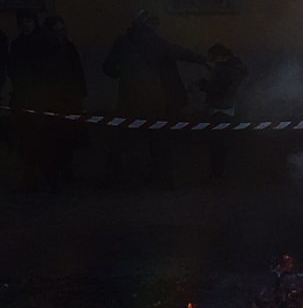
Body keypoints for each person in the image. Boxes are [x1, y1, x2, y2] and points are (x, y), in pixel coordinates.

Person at [102, 11, 208, 185]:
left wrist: (122, 75)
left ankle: (115, 177)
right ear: (144, 25)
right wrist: (203, 60)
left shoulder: (124, 41)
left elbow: (108, 68)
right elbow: (179, 52)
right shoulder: (154, 43)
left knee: (126, 139)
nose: (154, 27)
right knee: (156, 140)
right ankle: (159, 178)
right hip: (152, 101)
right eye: (151, 24)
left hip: (134, 100)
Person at [36, 16, 86, 186]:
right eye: (55, 30)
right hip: (49, 100)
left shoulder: (69, 48)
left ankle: (65, 171)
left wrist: (79, 95)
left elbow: (78, 72)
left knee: (67, 139)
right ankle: (51, 174)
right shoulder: (42, 49)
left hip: (68, 99)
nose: (59, 33)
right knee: (50, 139)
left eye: (61, 30)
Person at [195, 43, 247, 181]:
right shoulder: (235, 69)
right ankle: (220, 175)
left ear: (220, 57)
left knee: (217, 147)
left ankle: (217, 176)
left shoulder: (224, 71)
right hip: (228, 110)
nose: (209, 60)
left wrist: (202, 85)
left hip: (219, 111)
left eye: (212, 57)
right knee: (223, 146)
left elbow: (218, 89)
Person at [8, 10, 45, 184]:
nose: (26, 24)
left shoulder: (41, 42)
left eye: (29, 21)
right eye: (23, 21)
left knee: (37, 135)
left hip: (38, 95)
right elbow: (13, 68)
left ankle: (36, 170)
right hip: (22, 94)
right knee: (24, 135)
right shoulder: (17, 44)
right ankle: (28, 170)